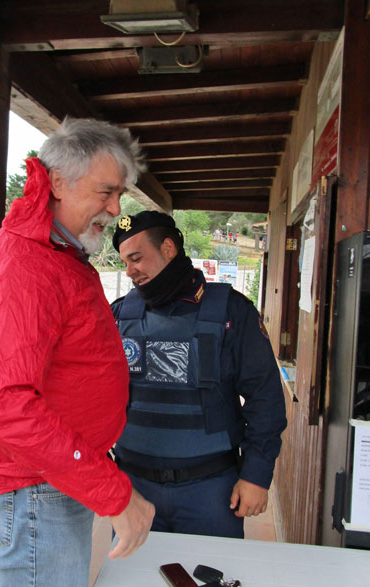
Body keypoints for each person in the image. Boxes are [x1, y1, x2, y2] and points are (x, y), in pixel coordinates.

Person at [0, 118, 155, 587]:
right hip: (33, 489)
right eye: (107, 192)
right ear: (58, 184)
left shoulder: (53, 253)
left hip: (48, 482)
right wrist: (114, 491)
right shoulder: (25, 264)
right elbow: (10, 408)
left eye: (120, 194)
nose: (116, 208)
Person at [111, 211, 286, 538]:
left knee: (213, 585)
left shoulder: (232, 311)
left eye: (137, 258)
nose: (130, 271)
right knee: (133, 586)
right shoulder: (120, 315)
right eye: (125, 262)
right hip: (134, 489)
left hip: (211, 490)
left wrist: (256, 475)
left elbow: (265, 398)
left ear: (167, 248)